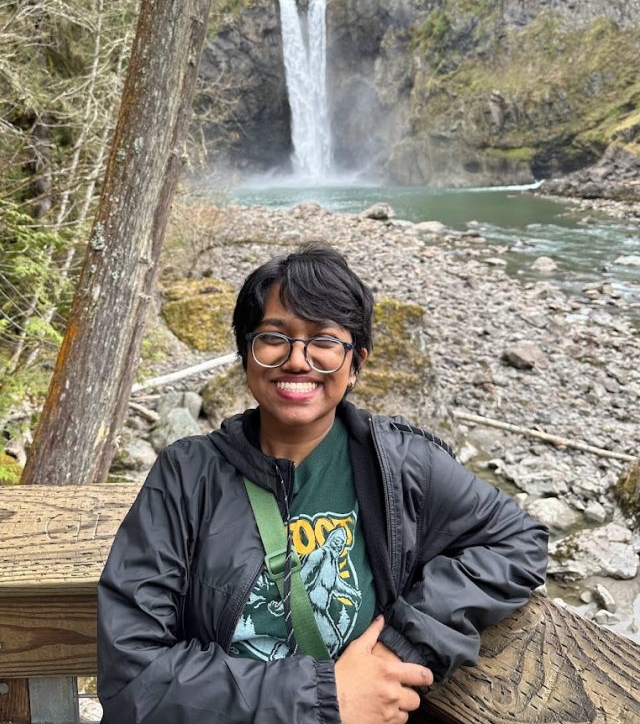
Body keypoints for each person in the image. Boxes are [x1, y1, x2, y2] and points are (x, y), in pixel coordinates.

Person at [98, 244, 548, 724]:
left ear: (355, 364)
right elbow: (132, 674)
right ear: (246, 353)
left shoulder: (403, 465)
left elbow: (518, 542)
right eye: (275, 337)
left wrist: (401, 645)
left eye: (325, 341)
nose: (297, 360)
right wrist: (325, 697)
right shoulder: (187, 475)